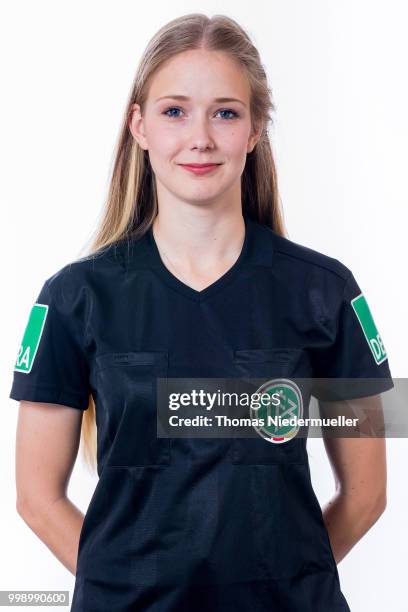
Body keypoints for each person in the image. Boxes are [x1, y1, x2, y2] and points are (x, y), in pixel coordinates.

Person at [9, 13, 394, 612]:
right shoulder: (73, 298)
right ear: (138, 125)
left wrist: (285, 587)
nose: (201, 138)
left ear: (256, 126)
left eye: (225, 112)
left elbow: (368, 494)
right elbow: (36, 497)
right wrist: (128, 590)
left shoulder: (327, 291)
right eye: (174, 111)